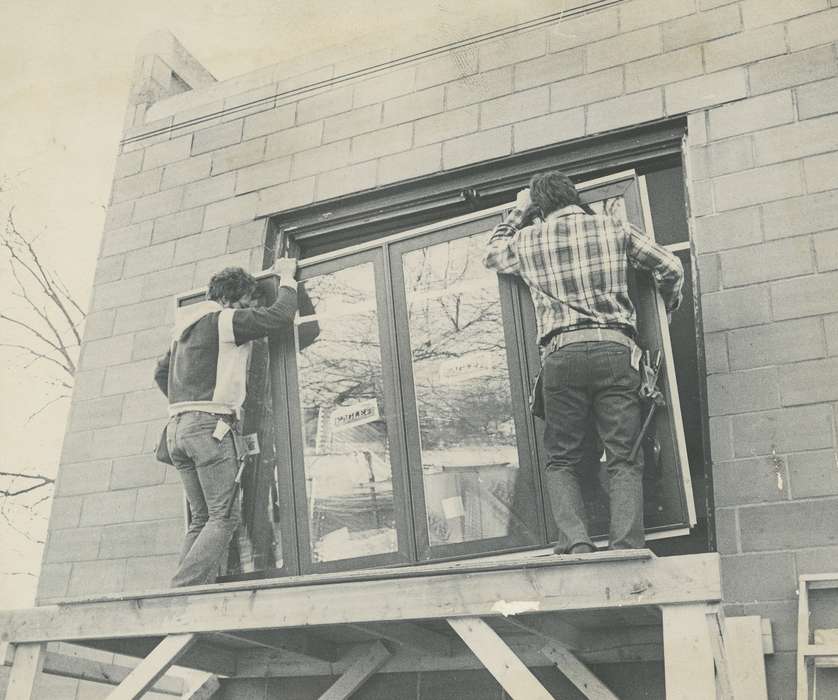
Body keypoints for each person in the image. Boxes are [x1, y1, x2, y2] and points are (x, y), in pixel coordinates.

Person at [482, 171, 683, 554]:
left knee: (562, 459)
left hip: (562, 354)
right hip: (615, 350)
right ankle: (625, 547)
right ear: (574, 196)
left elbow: (491, 254)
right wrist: (666, 310)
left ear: (540, 207)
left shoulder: (527, 239)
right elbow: (670, 267)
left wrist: (517, 213)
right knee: (624, 456)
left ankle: (576, 544)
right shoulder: (615, 228)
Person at [154, 259, 299, 586]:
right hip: (209, 429)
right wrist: (287, 278)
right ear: (233, 300)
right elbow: (279, 317)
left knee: (202, 518)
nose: (251, 311)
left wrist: (187, 401)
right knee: (224, 517)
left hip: (177, 430)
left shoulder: (183, 329)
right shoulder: (224, 320)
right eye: (249, 304)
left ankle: (178, 594)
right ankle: (181, 591)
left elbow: (160, 373)